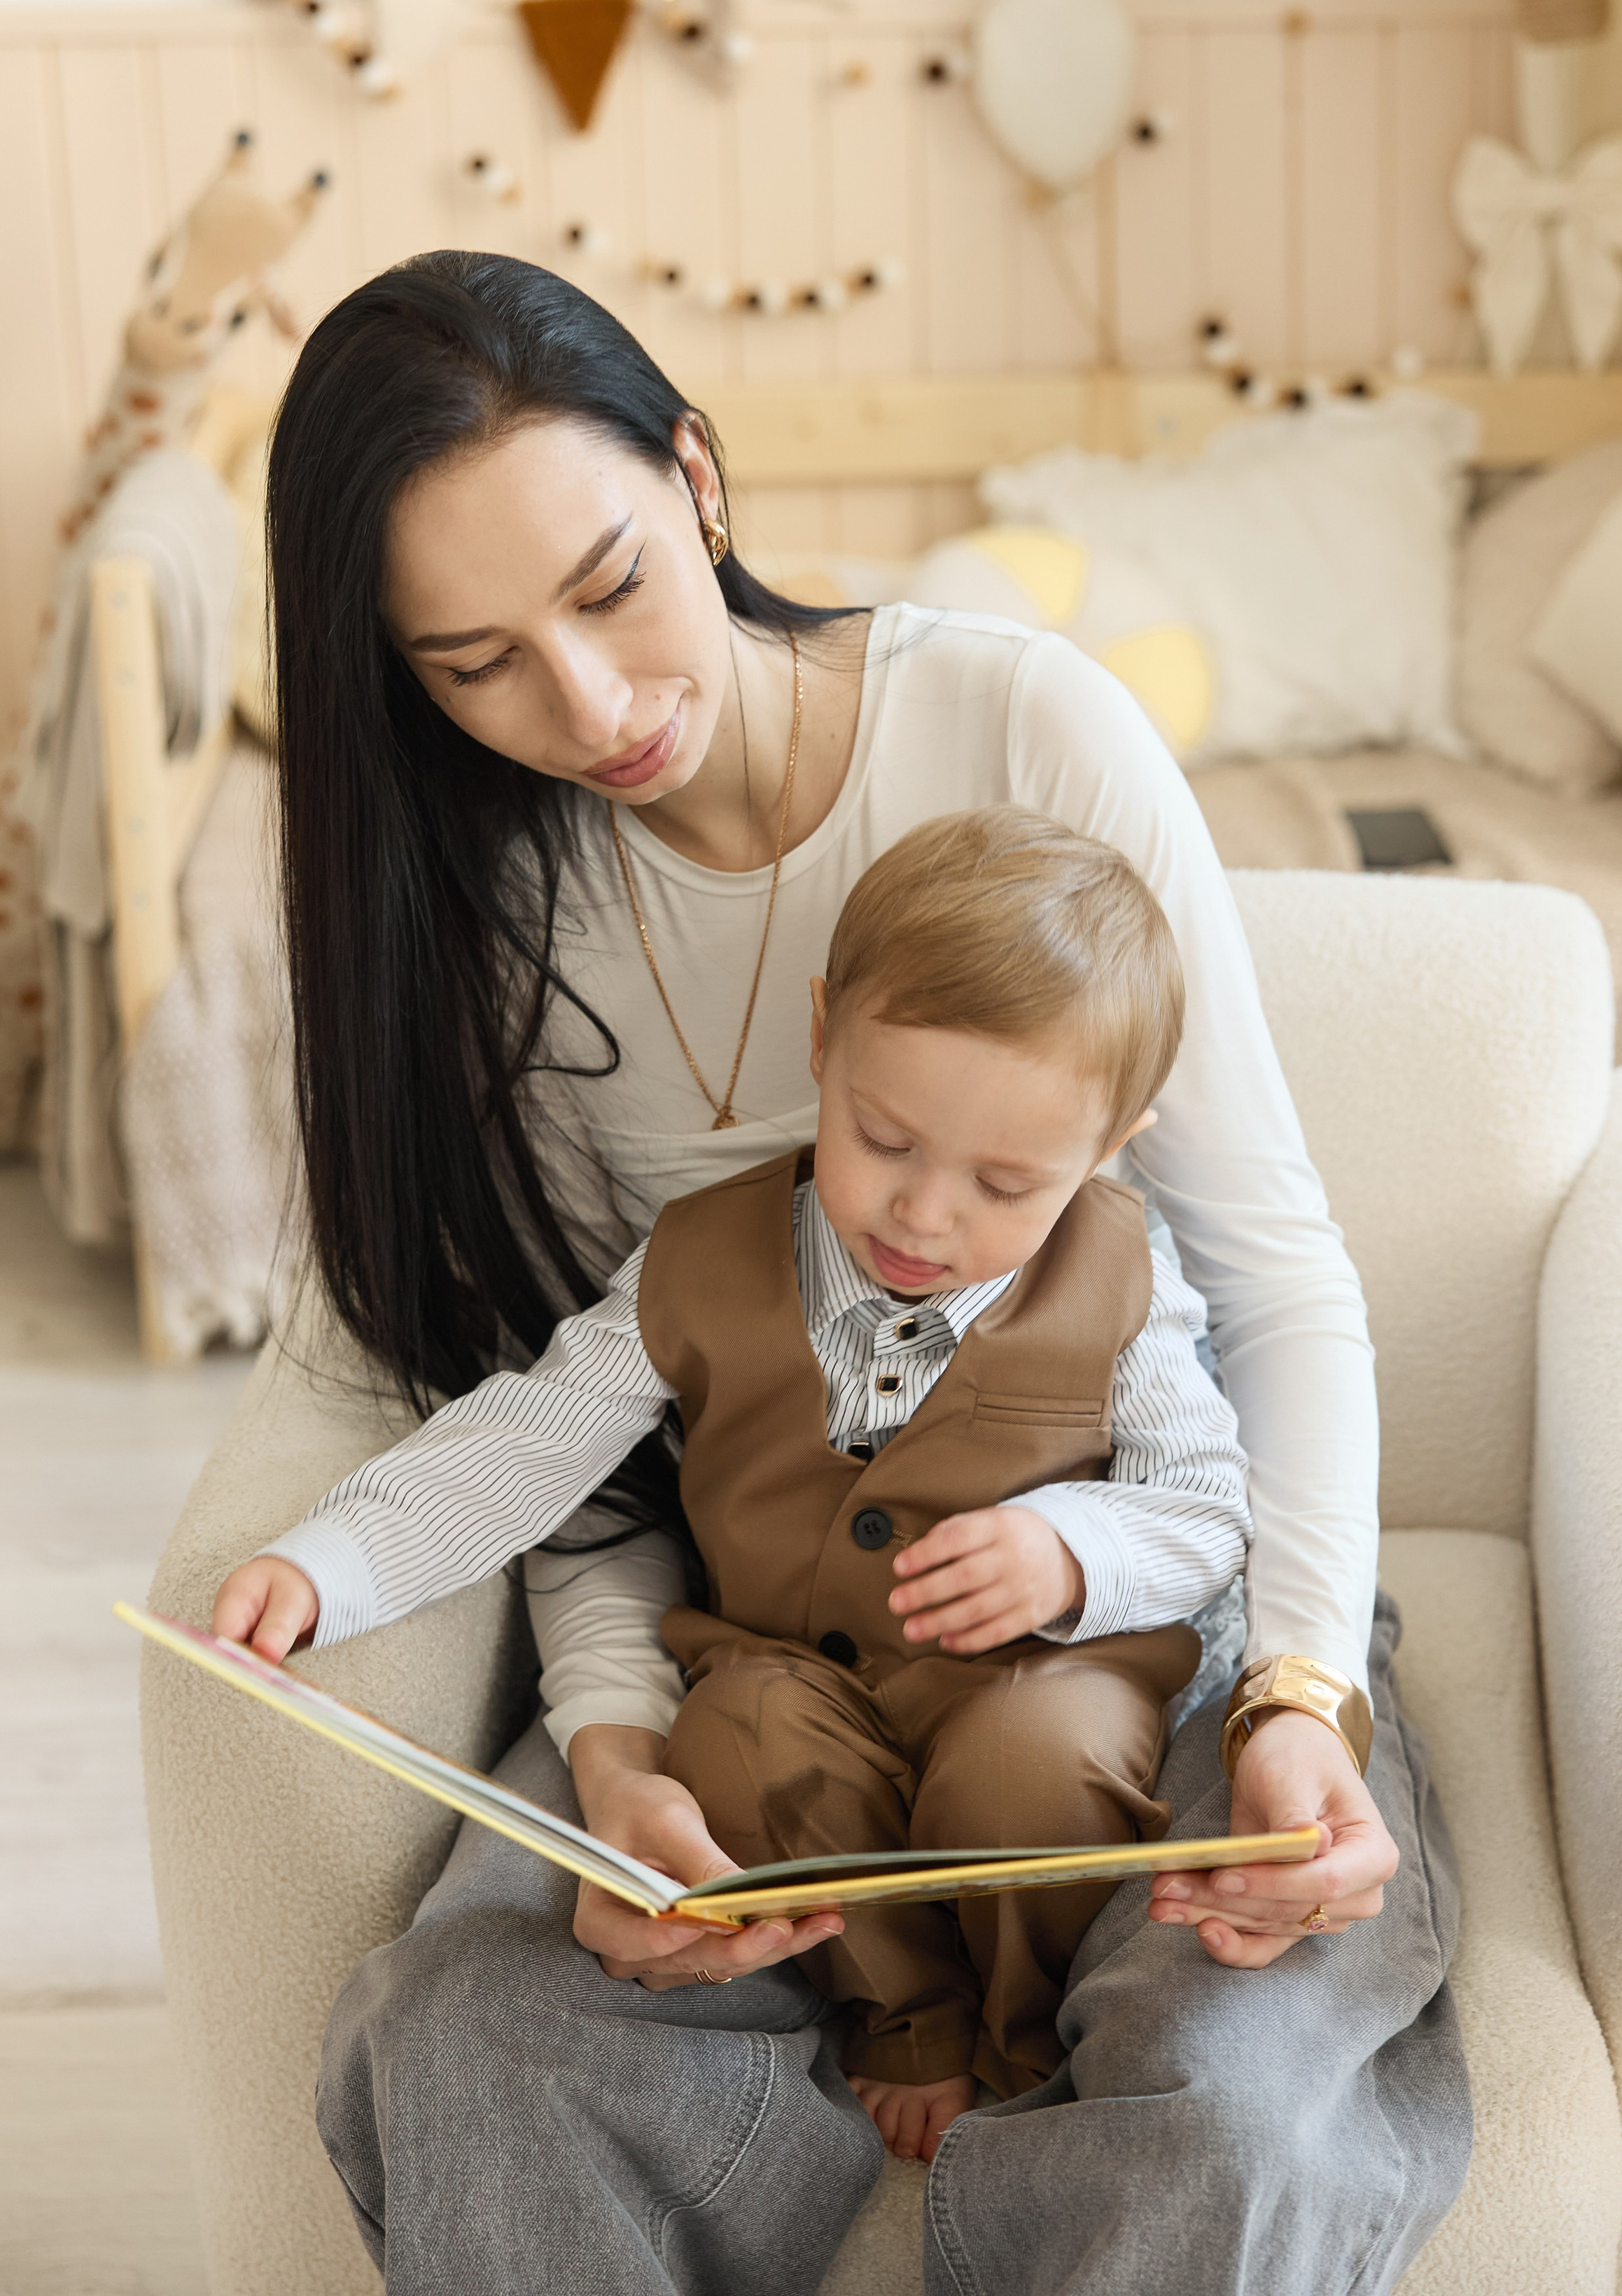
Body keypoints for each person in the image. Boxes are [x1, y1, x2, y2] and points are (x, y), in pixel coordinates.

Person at [259, 251, 1468, 2295]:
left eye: (613, 587)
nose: (593, 709)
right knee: (475, 2040)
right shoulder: (485, 918)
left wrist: (1294, 1694)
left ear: (697, 477)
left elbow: (1275, 1291)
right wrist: (615, 1756)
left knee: (1236, 2111)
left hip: (1164, 1618)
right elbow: (581, 1439)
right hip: (756, 1674)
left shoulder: (1018, 725)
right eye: (474, 665)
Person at [214, 808, 1256, 2163]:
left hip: (1032, 1678)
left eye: (1006, 1184)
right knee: (737, 1752)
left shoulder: (1127, 1280)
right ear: (822, 1040)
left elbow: (1207, 1507)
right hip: (789, 1669)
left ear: (1110, 1145)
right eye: (884, 1139)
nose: (924, 1214)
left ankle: (1024, 2031)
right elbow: (528, 1442)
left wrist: (1071, 1550)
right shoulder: (700, 1256)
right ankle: (908, 2014)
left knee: (1039, 1775)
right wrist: (329, 1567)